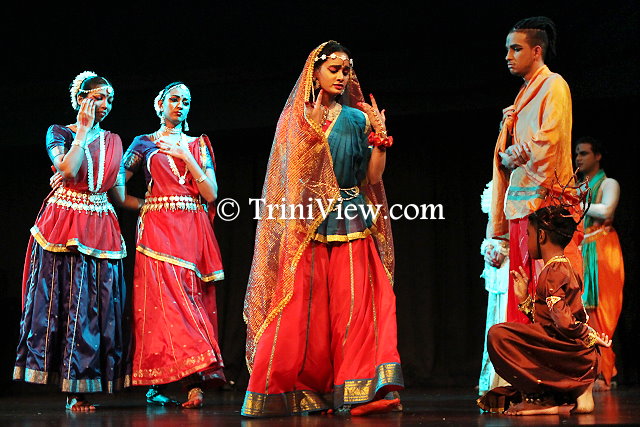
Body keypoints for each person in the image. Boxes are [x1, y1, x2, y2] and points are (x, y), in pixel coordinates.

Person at [241, 41, 403, 417]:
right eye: (333, 69)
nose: (341, 76)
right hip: (307, 224)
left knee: (356, 305)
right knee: (302, 311)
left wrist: (380, 139)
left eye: (346, 70)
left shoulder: (357, 119)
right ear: (314, 72)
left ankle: (360, 388)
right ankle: (297, 388)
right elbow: (286, 181)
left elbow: (371, 178)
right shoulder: (295, 119)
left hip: (351, 218)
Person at [14, 71, 130, 411]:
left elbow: (119, 193)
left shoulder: (114, 140)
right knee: (68, 303)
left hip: (102, 225)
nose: (105, 104)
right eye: (98, 97)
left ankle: (89, 380)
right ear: (81, 99)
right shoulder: (59, 132)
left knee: (98, 305)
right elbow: (66, 169)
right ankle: (72, 388)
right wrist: (82, 130)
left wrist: (167, 205)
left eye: (109, 99)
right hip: (64, 224)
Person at [121, 82, 225, 408]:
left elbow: (211, 193)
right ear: (160, 104)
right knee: (161, 305)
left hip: (191, 231)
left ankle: (195, 379)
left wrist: (186, 157)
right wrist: (142, 204)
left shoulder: (197, 144)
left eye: (186, 101)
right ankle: (163, 383)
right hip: (156, 230)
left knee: (189, 300)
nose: (180, 105)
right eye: (174, 99)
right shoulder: (143, 143)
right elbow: (115, 186)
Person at [488, 16, 583, 325]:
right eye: (508, 49)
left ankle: (549, 350)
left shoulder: (553, 84)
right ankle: (525, 350)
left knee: (549, 287)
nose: (508, 56)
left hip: (545, 202)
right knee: (523, 285)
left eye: (516, 49)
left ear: (537, 51)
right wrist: (508, 133)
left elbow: (551, 137)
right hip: (522, 204)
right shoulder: (524, 93)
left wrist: (519, 152)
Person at [477, 205, 611, 415]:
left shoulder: (554, 272)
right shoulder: (562, 267)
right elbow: (552, 320)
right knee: (513, 334)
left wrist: (589, 335)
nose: (526, 240)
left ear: (541, 236)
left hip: (574, 353)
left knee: (499, 335)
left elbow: (563, 322)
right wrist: (525, 300)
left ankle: (542, 400)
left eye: (529, 234)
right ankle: (573, 396)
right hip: (577, 353)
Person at [575, 136, 625, 391]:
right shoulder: (578, 188)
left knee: (602, 312)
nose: (578, 158)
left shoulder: (608, 183)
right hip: (582, 250)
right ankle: (592, 371)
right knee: (583, 313)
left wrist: (575, 201)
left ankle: (605, 373)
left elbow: (606, 211)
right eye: (576, 153)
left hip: (603, 249)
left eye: (584, 153)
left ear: (598, 156)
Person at [478, 181, 510, 395]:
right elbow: (493, 221)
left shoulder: (528, 181)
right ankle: (493, 378)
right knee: (496, 316)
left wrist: (505, 248)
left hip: (517, 255)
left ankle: (510, 377)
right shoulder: (496, 185)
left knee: (508, 315)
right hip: (499, 262)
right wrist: (489, 247)